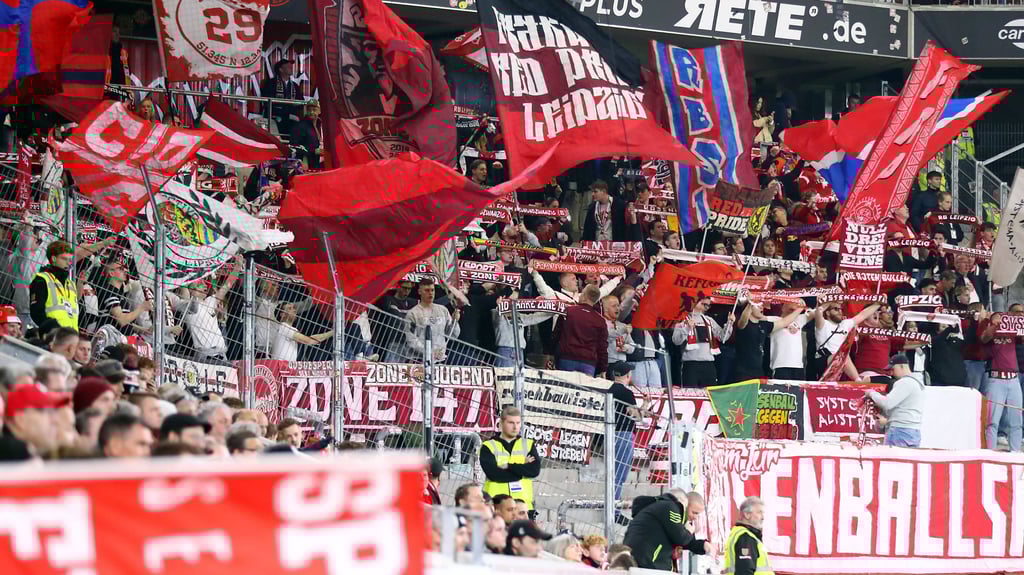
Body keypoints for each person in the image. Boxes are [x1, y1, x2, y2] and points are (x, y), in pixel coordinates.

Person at [624, 489, 715, 571]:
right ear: (686, 504)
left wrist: (703, 545)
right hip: (646, 562)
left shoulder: (663, 508)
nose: (695, 517)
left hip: (644, 560)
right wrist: (690, 531)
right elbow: (681, 538)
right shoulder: (670, 507)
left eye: (698, 514)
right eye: (694, 512)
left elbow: (686, 541)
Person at [607, 362, 653, 522]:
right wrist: (646, 404)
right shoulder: (626, 393)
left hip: (611, 434)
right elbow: (635, 416)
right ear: (628, 375)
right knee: (619, 475)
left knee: (615, 474)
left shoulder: (610, 389)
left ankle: (612, 509)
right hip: (624, 435)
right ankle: (613, 512)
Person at [480, 406, 541, 514]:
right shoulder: (488, 446)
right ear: (501, 423)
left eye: (518, 423)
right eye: (511, 423)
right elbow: (494, 474)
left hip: (523, 507)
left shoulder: (528, 444)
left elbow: (534, 471)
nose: (515, 427)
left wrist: (509, 466)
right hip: (497, 506)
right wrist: (522, 467)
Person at [980, 312, 1023, 452]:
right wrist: (994, 325)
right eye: (997, 317)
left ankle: (1015, 454)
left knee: (1016, 421)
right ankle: (990, 454)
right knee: (992, 421)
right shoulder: (990, 332)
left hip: (1013, 379)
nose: (1001, 319)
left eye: (1003, 317)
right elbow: (984, 338)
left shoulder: (1012, 334)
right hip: (996, 380)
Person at [865, 354, 925, 447]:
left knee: (891, 461)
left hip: (900, 431)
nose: (891, 373)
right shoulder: (916, 384)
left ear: (902, 366)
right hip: (913, 431)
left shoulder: (904, 382)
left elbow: (887, 403)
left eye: (893, 369)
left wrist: (871, 393)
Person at [672, 297, 734, 387]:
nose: (705, 303)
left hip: (708, 364)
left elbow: (722, 337)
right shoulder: (682, 319)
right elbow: (676, 341)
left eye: (707, 302)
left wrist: (729, 323)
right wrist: (687, 328)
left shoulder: (709, 320)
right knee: (691, 396)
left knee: (709, 396)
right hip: (690, 365)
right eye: (702, 300)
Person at [0, 384, 70, 460]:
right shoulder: (15, 453)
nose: (56, 421)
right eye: (47, 411)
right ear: (20, 420)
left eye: (54, 411)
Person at [553, 284, 608, 376]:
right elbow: (602, 347)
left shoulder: (568, 311)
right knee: (583, 389)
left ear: (584, 296)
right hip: (588, 363)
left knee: (564, 388)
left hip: (567, 358)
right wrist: (603, 368)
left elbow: (556, 335)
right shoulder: (600, 321)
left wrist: (550, 353)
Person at [405, 278, 461, 364]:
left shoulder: (443, 310)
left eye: (432, 290)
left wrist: (454, 321)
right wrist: (430, 352)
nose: (430, 293)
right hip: (418, 360)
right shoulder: (412, 313)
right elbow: (411, 340)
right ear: (419, 291)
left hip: (439, 360)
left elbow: (453, 335)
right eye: (427, 290)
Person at [29, 241, 79, 332]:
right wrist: (52, 330)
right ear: (54, 259)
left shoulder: (71, 284)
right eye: (64, 259)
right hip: (52, 337)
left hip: (72, 337)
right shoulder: (42, 279)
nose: (68, 263)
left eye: (69, 260)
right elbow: (36, 312)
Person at [724, 496, 772, 575]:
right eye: (759, 512)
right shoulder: (745, 537)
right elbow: (745, 571)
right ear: (747, 514)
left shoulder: (742, 534)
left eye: (763, 513)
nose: (763, 517)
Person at [261, 58, 302, 137]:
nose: (291, 68)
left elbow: (300, 102)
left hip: (291, 119)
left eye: (291, 67)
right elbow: (267, 102)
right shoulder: (271, 83)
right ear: (281, 69)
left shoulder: (294, 86)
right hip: (275, 117)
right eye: (288, 67)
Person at [290, 101, 321, 169]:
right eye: (309, 110)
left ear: (319, 111)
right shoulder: (299, 126)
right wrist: (314, 150)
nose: (311, 112)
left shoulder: (323, 126)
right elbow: (293, 146)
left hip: (323, 163)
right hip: (307, 164)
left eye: (314, 110)